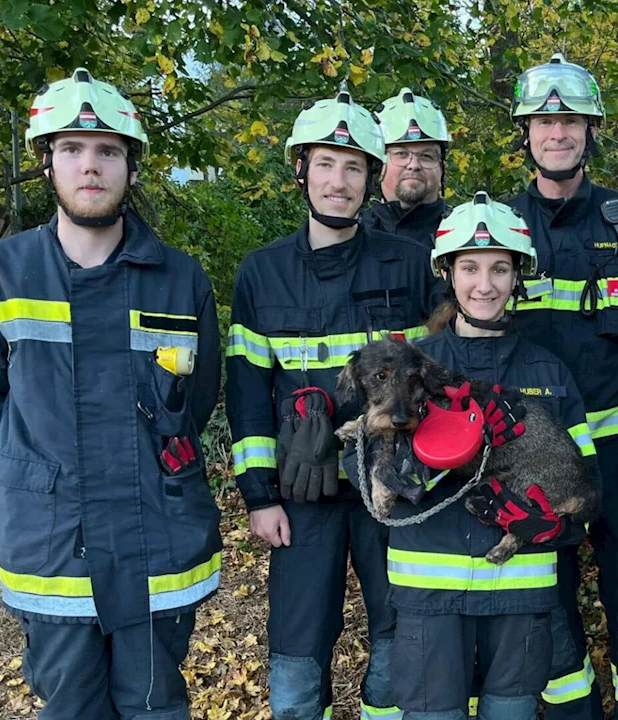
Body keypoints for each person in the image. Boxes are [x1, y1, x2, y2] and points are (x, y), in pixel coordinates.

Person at [0, 67, 222, 720]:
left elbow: (200, 395)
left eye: (108, 151)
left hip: (157, 538)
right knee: (71, 709)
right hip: (53, 543)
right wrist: (38, 462)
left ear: (131, 167)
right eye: (72, 148)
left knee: (157, 706)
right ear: (47, 163)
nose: (91, 165)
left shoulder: (181, 280)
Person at [225, 88, 437, 720]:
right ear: (301, 171)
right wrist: (259, 497)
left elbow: (440, 377)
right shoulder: (261, 274)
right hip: (301, 490)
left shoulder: (410, 264)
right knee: (297, 636)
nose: (338, 181)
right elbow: (246, 390)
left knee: (399, 624)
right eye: (325, 164)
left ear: (372, 179)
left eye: (353, 167)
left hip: (394, 484)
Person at [360, 191, 602, 720]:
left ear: (518, 276)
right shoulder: (413, 365)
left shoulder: (549, 372)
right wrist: (395, 468)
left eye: (499, 268)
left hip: (521, 592)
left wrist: (560, 524)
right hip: (428, 590)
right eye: (469, 267)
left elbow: (587, 478)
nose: (485, 284)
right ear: (448, 273)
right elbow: (374, 448)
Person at [506, 53, 618, 720]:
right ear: (525, 134)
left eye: (570, 121)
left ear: (589, 131)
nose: (557, 133)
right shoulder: (504, 229)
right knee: (544, 601)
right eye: (544, 123)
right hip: (532, 459)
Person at [361, 88, 451, 246]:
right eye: (401, 154)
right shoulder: (353, 235)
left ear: (441, 168)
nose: (414, 165)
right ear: (379, 165)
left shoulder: (461, 233)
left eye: (426, 156)